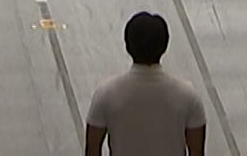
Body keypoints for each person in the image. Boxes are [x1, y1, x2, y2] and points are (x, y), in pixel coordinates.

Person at [84, 11, 206, 156]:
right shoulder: (188, 96)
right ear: (165, 45)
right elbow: (197, 152)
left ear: (128, 46)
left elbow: (92, 150)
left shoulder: (106, 94)